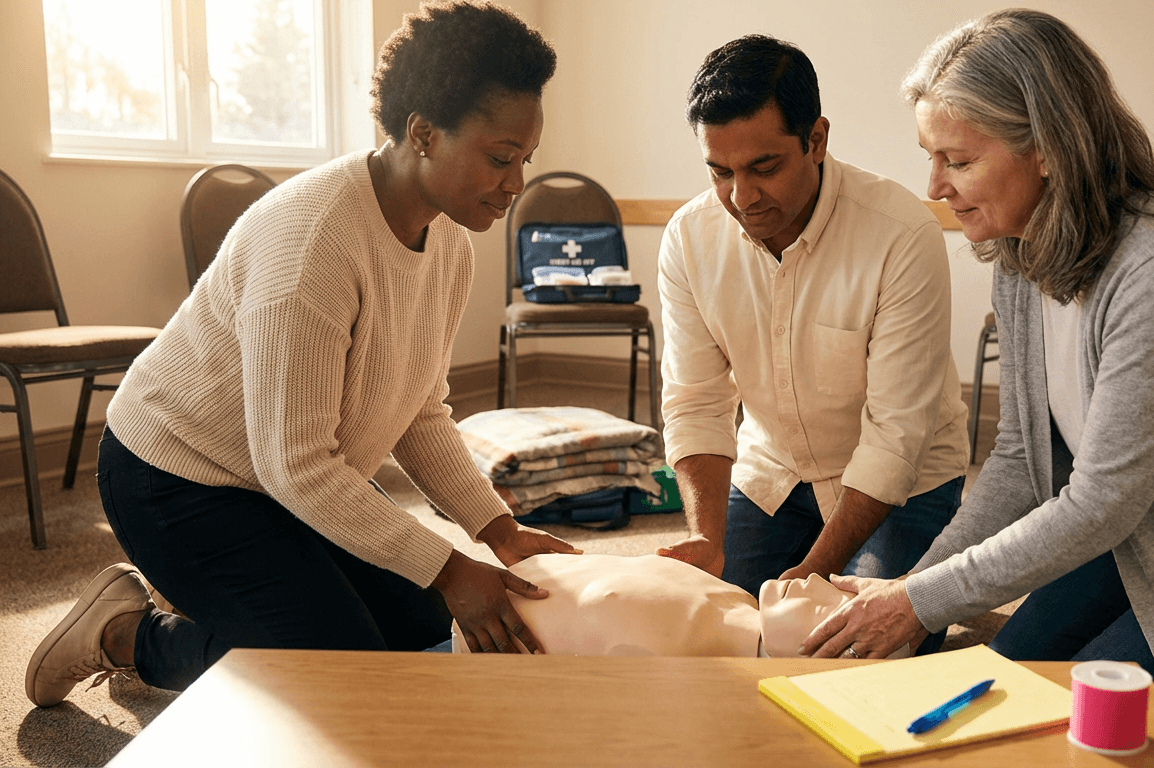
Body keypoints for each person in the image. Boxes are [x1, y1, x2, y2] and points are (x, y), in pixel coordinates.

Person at [799, 9, 1154, 767]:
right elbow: (1017, 456)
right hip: (1147, 535)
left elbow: (1102, 501)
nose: (934, 186)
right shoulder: (1020, 254)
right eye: (929, 157)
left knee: (1067, 736)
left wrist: (917, 601)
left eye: (957, 160)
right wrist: (917, 587)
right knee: (994, 689)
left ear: (1047, 149)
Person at [26, 0, 580, 708]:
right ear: (422, 134)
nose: (516, 183)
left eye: (525, 159)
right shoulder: (313, 241)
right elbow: (295, 465)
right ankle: (126, 633)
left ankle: (240, 602)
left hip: (290, 476)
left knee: (428, 637)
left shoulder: (449, 242)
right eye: (500, 158)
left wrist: (496, 528)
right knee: (346, 678)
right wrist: (448, 569)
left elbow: (420, 411)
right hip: (175, 478)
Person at [654, 33, 970, 644]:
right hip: (773, 474)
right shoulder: (690, 237)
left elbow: (895, 438)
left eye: (764, 167)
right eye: (720, 172)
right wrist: (706, 540)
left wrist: (812, 574)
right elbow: (696, 404)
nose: (741, 197)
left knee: (853, 648)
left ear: (816, 140)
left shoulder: (900, 233)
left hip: (906, 483)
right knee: (711, 631)